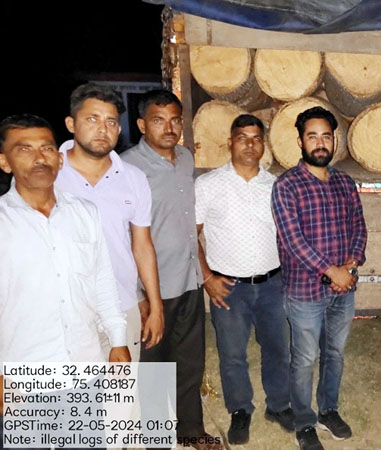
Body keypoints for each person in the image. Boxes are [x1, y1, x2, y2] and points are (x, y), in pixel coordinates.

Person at [122, 90, 220, 449]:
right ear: (141, 124)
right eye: (158, 120)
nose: (169, 127)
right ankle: (156, 438)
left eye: (175, 120)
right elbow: (122, 236)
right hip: (153, 289)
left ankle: (190, 432)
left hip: (188, 280)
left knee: (190, 363)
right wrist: (140, 296)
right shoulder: (127, 168)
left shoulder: (185, 158)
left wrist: (202, 274)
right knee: (154, 369)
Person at [0, 114, 130, 368]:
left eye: (47, 148)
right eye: (24, 149)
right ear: (5, 162)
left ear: (60, 160)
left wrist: (118, 340)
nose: (39, 158)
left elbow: (102, 280)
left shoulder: (85, 212)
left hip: (87, 363)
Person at [271, 106, 367, 450]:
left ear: (334, 140)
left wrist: (351, 266)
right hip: (305, 293)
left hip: (344, 290)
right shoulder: (286, 186)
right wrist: (332, 271)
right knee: (304, 359)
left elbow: (359, 226)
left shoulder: (345, 182)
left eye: (326, 136)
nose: (320, 143)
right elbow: (293, 240)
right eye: (312, 136)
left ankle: (328, 410)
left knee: (335, 354)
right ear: (300, 141)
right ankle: (304, 422)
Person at [195, 114, 292, 445]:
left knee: (277, 348)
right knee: (233, 353)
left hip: (273, 284)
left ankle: (279, 405)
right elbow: (191, 234)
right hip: (228, 288)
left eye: (256, 138)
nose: (249, 144)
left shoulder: (277, 186)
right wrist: (207, 277)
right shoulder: (208, 185)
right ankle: (239, 410)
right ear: (230, 143)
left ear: (263, 145)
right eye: (242, 138)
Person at [55, 83, 164, 362]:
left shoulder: (133, 178)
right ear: (71, 124)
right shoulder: (49, 174)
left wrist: (155, 305)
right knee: (69, 390)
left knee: (122, 389)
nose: (103, 129)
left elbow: (142, 245)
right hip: (62, 313)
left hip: (122, 306)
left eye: (111, 122)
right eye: (92, 119)